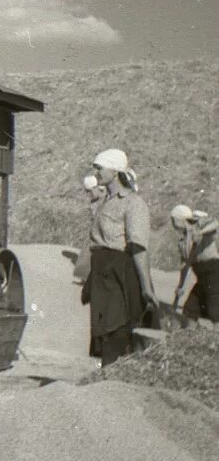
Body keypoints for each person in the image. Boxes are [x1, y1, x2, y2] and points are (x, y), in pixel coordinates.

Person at [85, 148, 155, 365]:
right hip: (102, 271)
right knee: (104, 331)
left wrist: (146, 287)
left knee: (117, 328)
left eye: (100, 167)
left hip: (120, 271)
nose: (95, 171)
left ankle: (112, 382)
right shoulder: (106, 201)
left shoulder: (133, 203)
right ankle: (107, 380)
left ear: (115, 171)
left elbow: (138, 248)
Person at [170, 204, 218, 325]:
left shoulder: (199, 225)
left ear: (179, 219)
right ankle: (188, 338)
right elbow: (185, 266)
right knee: (189, 309)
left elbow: (215, 223)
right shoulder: (182, 241)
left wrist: (200, 232)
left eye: (173, 219)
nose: (172, 223)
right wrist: (181, 286)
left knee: (215, 311)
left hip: (214, 273)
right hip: (201, 277)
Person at [72, 174, 107, 283]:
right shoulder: (94, 203)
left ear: (97, 188)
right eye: (87, 191)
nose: (88, 194)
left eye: (90, 191)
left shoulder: (107, 199)